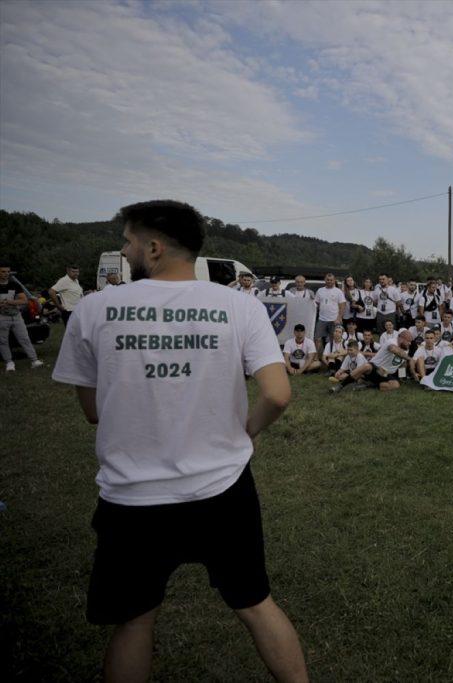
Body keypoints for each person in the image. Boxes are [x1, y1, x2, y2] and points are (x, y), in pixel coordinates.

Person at [50, 200, 306, 681]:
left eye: (128, 241)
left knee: (134, 619)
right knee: (254, 602)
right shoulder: (240, 305)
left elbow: (92, 412)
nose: (124, 251)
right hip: (222, 485)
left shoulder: (94, 308)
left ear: (153, 246)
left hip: (133, 494)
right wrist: (244, 432)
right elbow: (277, 394)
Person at [1, 264, 44, 371]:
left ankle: (34, 360)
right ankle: (9, 363)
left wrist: (9, 302)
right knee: (3, 341)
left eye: (8, 272)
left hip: (16, 316)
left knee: (24, 338)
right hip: (2, 317)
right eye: (3, 272)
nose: (6, 274)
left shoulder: (14, 285)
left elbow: (24, 300)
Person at [347, 329, 413, 391]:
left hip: (386, 373)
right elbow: (393, 349)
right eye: (408, 341)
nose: (410, 343)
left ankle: (370, 385)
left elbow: (402, 364)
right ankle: (344, 384)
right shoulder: (391, 342)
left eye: (410, 341)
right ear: (401, 339)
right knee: (368, 366)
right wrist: (410, 359)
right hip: (376, 369)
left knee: (396, 385)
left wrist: (402, 377)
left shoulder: (406, 349)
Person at [313, 273, 346, 355]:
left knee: (333, 339)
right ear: (325, 280)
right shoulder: (320, 290)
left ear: (334, 280)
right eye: (327, 279)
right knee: (317, 339)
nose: (329, 281)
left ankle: (332, 355)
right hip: (321, 319)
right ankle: (315, 356)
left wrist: (339, 318)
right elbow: (315, 304)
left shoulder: (338, 291)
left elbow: (342, 306)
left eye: (331, 280)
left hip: (334, 320)